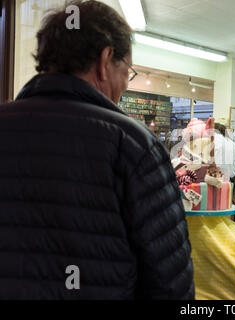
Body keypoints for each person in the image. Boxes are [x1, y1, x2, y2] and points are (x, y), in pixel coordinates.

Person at [0, 0, 194, 299]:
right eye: (127, 71)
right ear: (105, 61)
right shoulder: (133, 146)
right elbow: (169, 282)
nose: (126, 85)